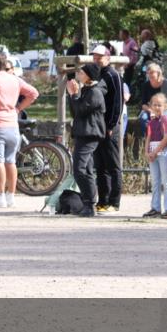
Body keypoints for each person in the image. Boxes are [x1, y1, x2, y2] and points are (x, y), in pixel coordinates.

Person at [0, 52, 39, 208]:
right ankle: (11, 196)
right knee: (10, 161)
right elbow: (33, 93)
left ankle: (0, 197)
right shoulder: (14, 79)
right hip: (13, 125)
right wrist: (18, 108)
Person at [66, 63, 106, 217]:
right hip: (83, 133)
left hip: (90, 134)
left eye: (81, 72)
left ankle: (90, 202)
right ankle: (89, 204)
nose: (79, 74)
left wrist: (74, 95)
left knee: (79, 169)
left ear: (89, 75)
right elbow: (75, 111)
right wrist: (73, 95)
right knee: (87, 169)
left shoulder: (95, 92)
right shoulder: (86, 90)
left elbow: (81, 110)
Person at [91, 44, 124, 212]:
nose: (96, 60)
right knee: (100, 165)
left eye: (100, 57)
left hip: (109, 126)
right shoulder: (96, 73)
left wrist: (112, 124)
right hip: (97, 126)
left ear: (108, 58)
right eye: (94, 57)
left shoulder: (113, 75)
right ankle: (102, 200)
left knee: (112, 165)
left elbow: (118, 102)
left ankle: (114, 201)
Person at [142, 92, 167, 218]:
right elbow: (149, 137)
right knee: (155, 181)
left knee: (166, 180)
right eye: (154, 105)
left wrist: (155, 152)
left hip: (163, 152)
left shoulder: (166, 119)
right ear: (150, 106)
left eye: (159, 105)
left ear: (165, 106)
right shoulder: (152, 121)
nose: (157, 107)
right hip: (152, 152)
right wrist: (147, 152)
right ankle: (155, 208)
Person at [138, 62, 167, 133]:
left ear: (158, 73)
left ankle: (164, 138)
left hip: (165, 110)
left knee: (165, 118)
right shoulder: (145, 86)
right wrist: (152, 111)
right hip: (150, 110)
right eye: (148, 73)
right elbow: (143, 104)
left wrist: (159, 113)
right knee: (143, 118)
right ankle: (148, 138)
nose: (149, 75)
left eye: (152, 72)